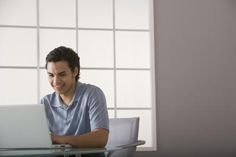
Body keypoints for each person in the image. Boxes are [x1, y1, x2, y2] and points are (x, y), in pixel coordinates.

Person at [40, 46, 109, 157]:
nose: (55, 81)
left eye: (62, 74)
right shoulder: (45, 102)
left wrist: (60, 139)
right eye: (51, 75)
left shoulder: (92, 94)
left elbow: (101, 138)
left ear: (75, 71)